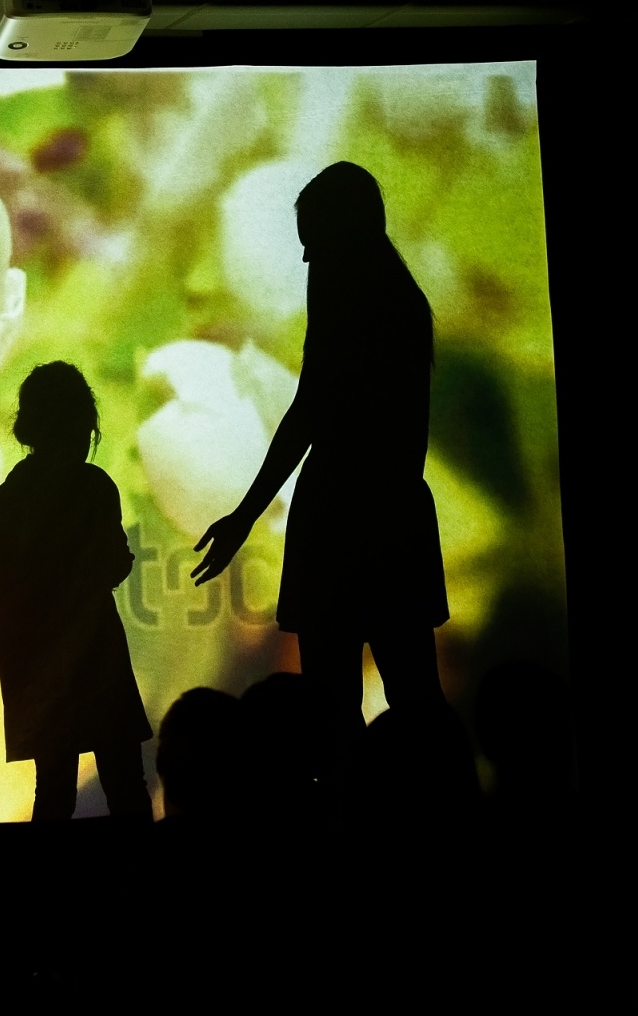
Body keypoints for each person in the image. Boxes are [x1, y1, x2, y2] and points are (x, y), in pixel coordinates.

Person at [192, 162, 450, 754]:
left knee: (331, 710)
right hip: (397, 517)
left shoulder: (344, 292)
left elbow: (308, 413)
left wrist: (246, 514)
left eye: (314, 243)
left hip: (337, 519)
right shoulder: (403, 300)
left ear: (341, 234)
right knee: (417, 696)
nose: (308, 261)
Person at [0, 361, 154, 821]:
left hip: (37, 672)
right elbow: (113, 563)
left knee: (53, 793)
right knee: (126, 787)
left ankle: (42, 891)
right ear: (82, 421)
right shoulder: (95, 488)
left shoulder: (7, 497)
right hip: (97, 659)